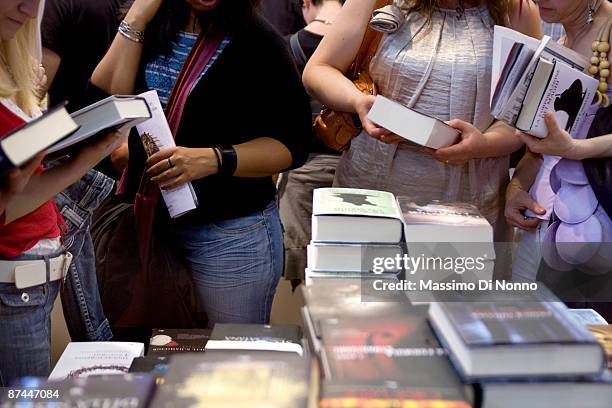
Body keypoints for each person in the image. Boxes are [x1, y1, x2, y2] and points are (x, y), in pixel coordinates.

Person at [91, 0, 311, 326]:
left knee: (230, 359)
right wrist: (138, 14)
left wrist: (211, 159)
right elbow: (115, 95)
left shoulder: (257, 40)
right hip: (152, 221)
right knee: (159, 355)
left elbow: (292, 145)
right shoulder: (152, 27)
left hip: (229, 231)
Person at [303, 0, 541, 279]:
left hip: (472, 200)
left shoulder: (517, 11)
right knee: (365, 307)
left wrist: (484, 144)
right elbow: (318, 70)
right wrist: (357, 101)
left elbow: (526, 114)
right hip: (375, 193)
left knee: (459, 311)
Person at [0, 0, 127, 385]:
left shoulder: (14, 61)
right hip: (14, 281)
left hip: (31, 276)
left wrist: (88, 155)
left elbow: (18, 200)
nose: (28, 8)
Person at [507, 0, 612, 282]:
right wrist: (516, 187)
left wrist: (578, 149)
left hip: (596, 229)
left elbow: (566, 147)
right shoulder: (558, 42)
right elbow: (540, 149)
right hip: (541, 220)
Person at [40, 0, 124, 342]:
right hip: (90, 157)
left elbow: (34, 97)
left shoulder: (62, 5)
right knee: (89, 317)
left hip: (61, 160)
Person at [278, 0, 345, 288]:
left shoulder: (286, 47)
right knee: (345, 270)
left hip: (301, 173)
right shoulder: (362, 46)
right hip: (355, 171)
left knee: (303, 277)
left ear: (306, 3)